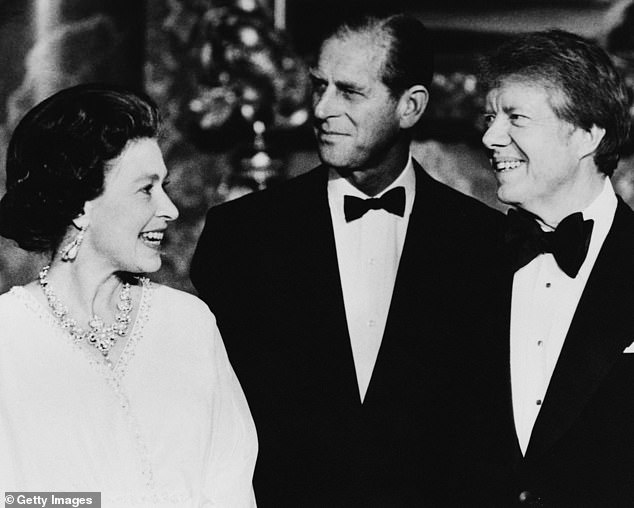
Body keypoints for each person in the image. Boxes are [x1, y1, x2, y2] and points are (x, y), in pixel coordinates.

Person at [191, 13, 503, 506]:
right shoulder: (241, 236)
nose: (322, 108)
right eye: (319, 87)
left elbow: (488, 439)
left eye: (350, 92)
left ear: (411, 106)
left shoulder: (485, 244)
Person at [0, 84, 257, 507]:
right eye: (146, 189)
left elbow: (231, 484)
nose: (170, 209)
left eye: (165, 185)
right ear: (81, 204)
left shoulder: (188, 324)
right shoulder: (10, 337)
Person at [476, 30, 634, 506]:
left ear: (588, 134)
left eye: (516, 118)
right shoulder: (467, 262)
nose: (490, 137)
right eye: (490, 116)